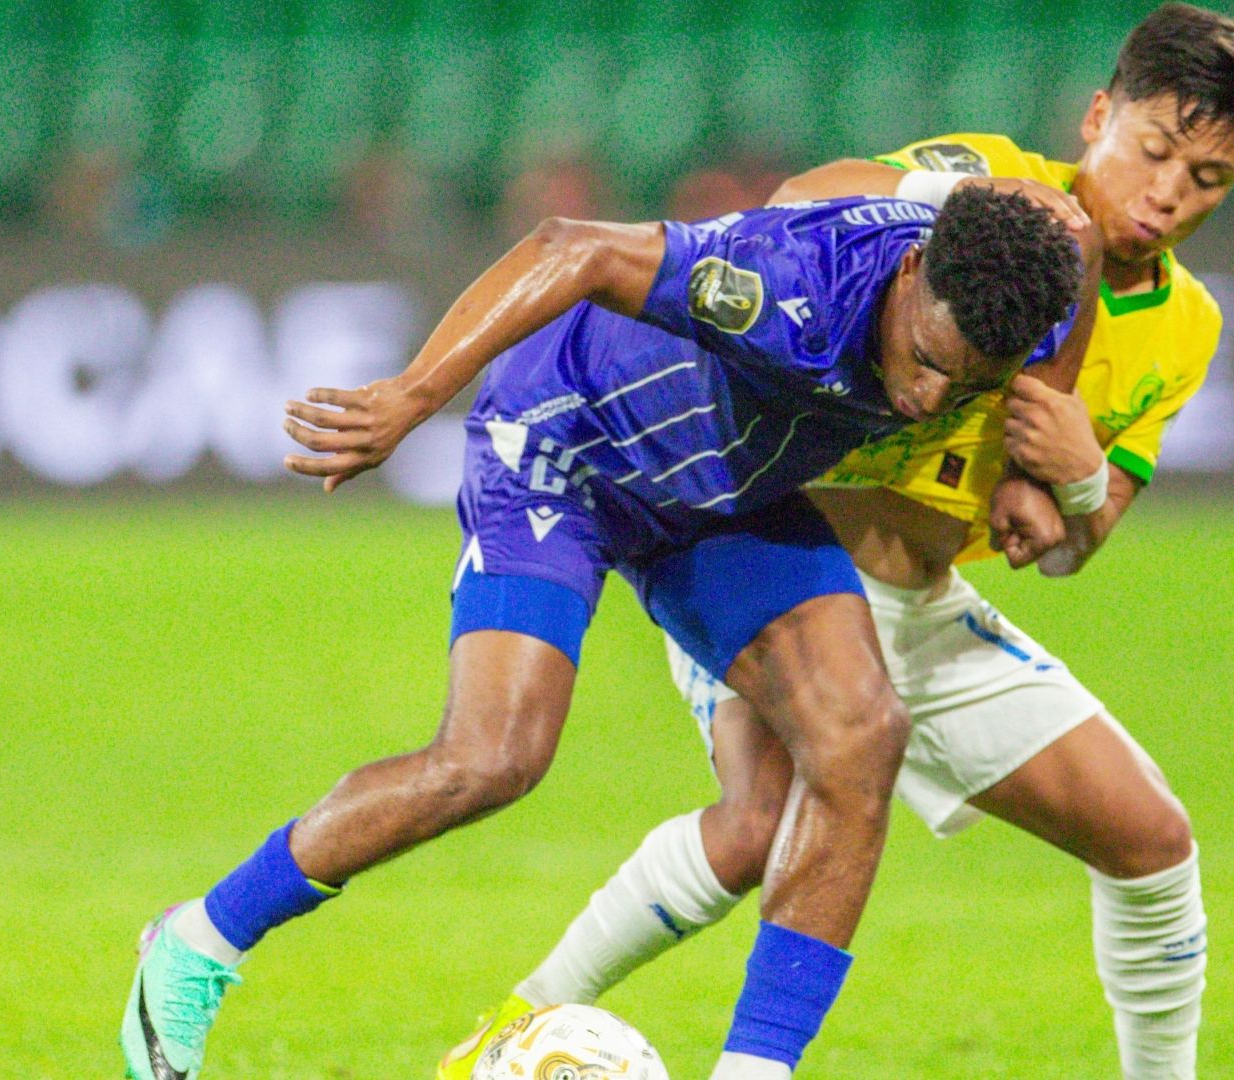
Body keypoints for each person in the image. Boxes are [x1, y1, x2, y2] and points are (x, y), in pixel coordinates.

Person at [437, 6, 1234, 1078]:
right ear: (1098, 117)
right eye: (1156, 151)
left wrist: (1072, 479)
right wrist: (937, 207)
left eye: (1208, 179)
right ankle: (507, 1031)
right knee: (756, 825)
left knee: (1154, 844)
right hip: (776, 566)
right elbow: (805, 204)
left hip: (926, 612)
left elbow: (1076, 543)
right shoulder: (989, 184)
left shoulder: (1188, 329)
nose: (1168, 193)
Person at [119, 183, 1091, 1080]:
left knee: (860, 737)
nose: (928, 398)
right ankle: (199, 940)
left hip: (723, 498)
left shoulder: (1016, 307)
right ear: (913, 273)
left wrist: (1028, 464)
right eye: (924, 361)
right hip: (563, 454)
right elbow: (572, 246)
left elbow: (1077, 242)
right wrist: (415, 395)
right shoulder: (780, 287)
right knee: (493, 756)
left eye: (968, 387)